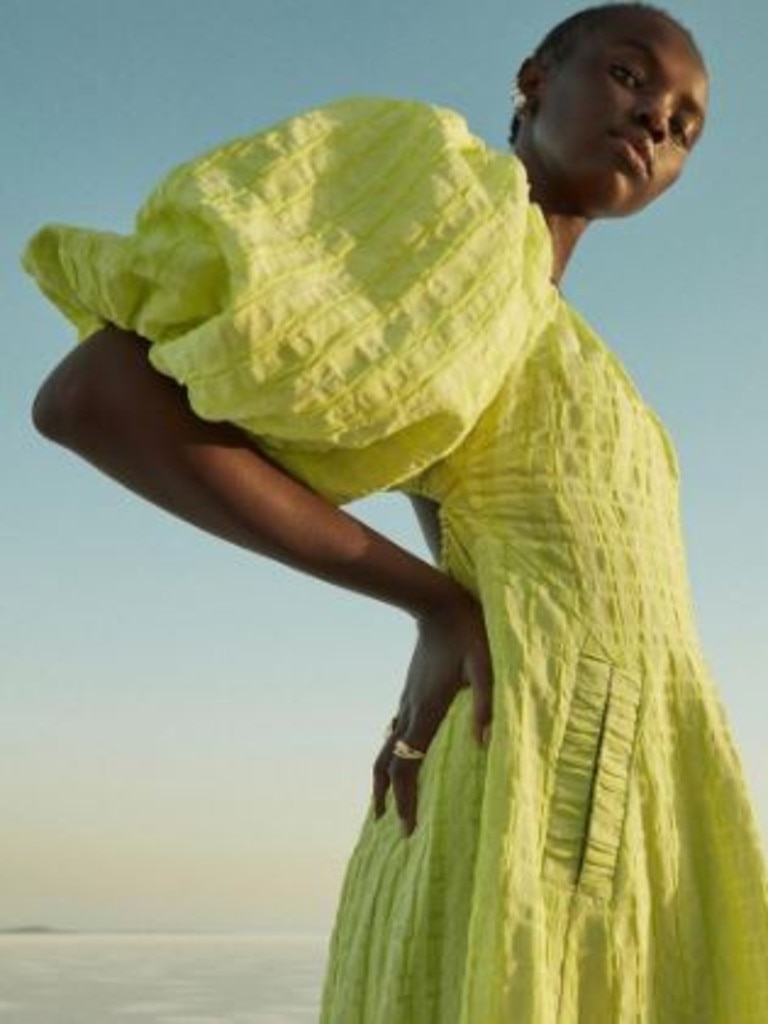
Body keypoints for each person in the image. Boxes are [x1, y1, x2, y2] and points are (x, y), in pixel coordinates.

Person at [20, 2, 768, 1020]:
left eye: (684, 126)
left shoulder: (547, 329)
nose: (655, 123)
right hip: (525, 774)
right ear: (535, 78)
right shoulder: (461, 220)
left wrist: (451, 595)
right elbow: (93, 398)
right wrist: (436, 605)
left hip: (635, 794)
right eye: (632, 77)